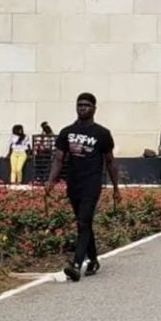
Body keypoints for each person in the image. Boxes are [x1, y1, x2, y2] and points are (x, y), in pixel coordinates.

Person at [45, 92, 120, 282]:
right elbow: (59, 159)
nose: (82, 108)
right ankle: (93, 260)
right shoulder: (66, 132)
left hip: (92, 183)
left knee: (83, 222)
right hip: (74, 183)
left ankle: (77, 264)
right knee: (83, 223)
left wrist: (116, 188)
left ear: (94, 108)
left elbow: (110, 162)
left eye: (86, 105)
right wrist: (51, 180)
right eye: (79, 105)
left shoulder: (102, 134)